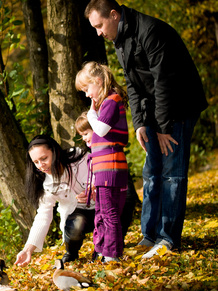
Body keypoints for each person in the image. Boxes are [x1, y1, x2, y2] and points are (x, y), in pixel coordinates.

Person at [84, 0, 208, 258]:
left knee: (172, 174)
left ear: (114, 15)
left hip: (181, 105)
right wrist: (139, 122)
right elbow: (133, 83)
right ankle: (149, 235)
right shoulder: (120, 38)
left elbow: (164, 81)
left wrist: (163, 127)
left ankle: (168, 238)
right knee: (151, 172)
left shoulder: (151, 31)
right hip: (154, 111)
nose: (98, 32)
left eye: (99, 25)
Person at [75, 61, 129, 262]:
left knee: (109, 213)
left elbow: (102, 129)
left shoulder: (112, 100)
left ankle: (113, 254)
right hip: (105, 169)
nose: (87, 94)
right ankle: (103, 250)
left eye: (87, 88)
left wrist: (91, 115)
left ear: (98, 81)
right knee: (102, 211)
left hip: (110, 168)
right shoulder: (107, 103)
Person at [14, 135, 95, 267]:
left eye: (44, 158)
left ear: (55, 151)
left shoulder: (79, 158)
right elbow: (43, 216)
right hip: (79, 214)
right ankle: (71, 253)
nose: (41, 165)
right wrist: (28, 249)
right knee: (75, 224)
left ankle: (106, 248)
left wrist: (94, 190)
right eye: (36, 162)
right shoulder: (47, 184)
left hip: (104, 204)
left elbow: (100, 172)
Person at [75, 111, 138, 243]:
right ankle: (109, 242)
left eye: (86, 133)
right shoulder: (93, 149)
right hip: (105, 184)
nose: (84, 138)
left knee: (124, 206)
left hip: (117, 179)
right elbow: (95, 169)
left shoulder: (107, 143)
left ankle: (117, 240)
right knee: (108, 214)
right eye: (82, 135)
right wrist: (93, 185)